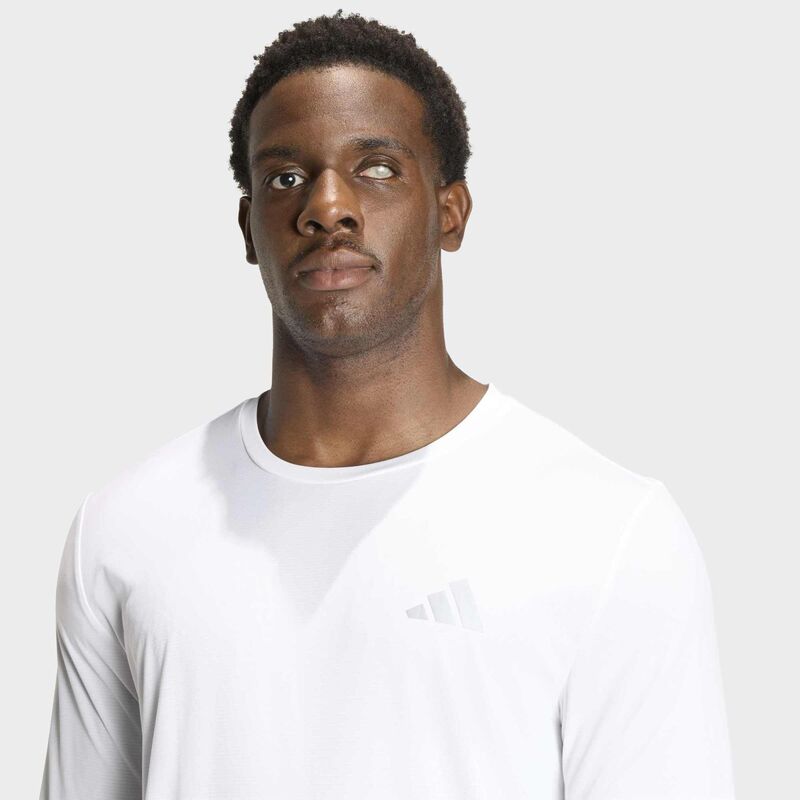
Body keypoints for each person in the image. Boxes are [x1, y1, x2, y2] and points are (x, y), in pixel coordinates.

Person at [38, 10, 736, 800]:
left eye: (375, 168)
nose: (327, 207)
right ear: (248, 227)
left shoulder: (610, 533)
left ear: (451, 212)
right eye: (285, 177)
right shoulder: (126, 529)